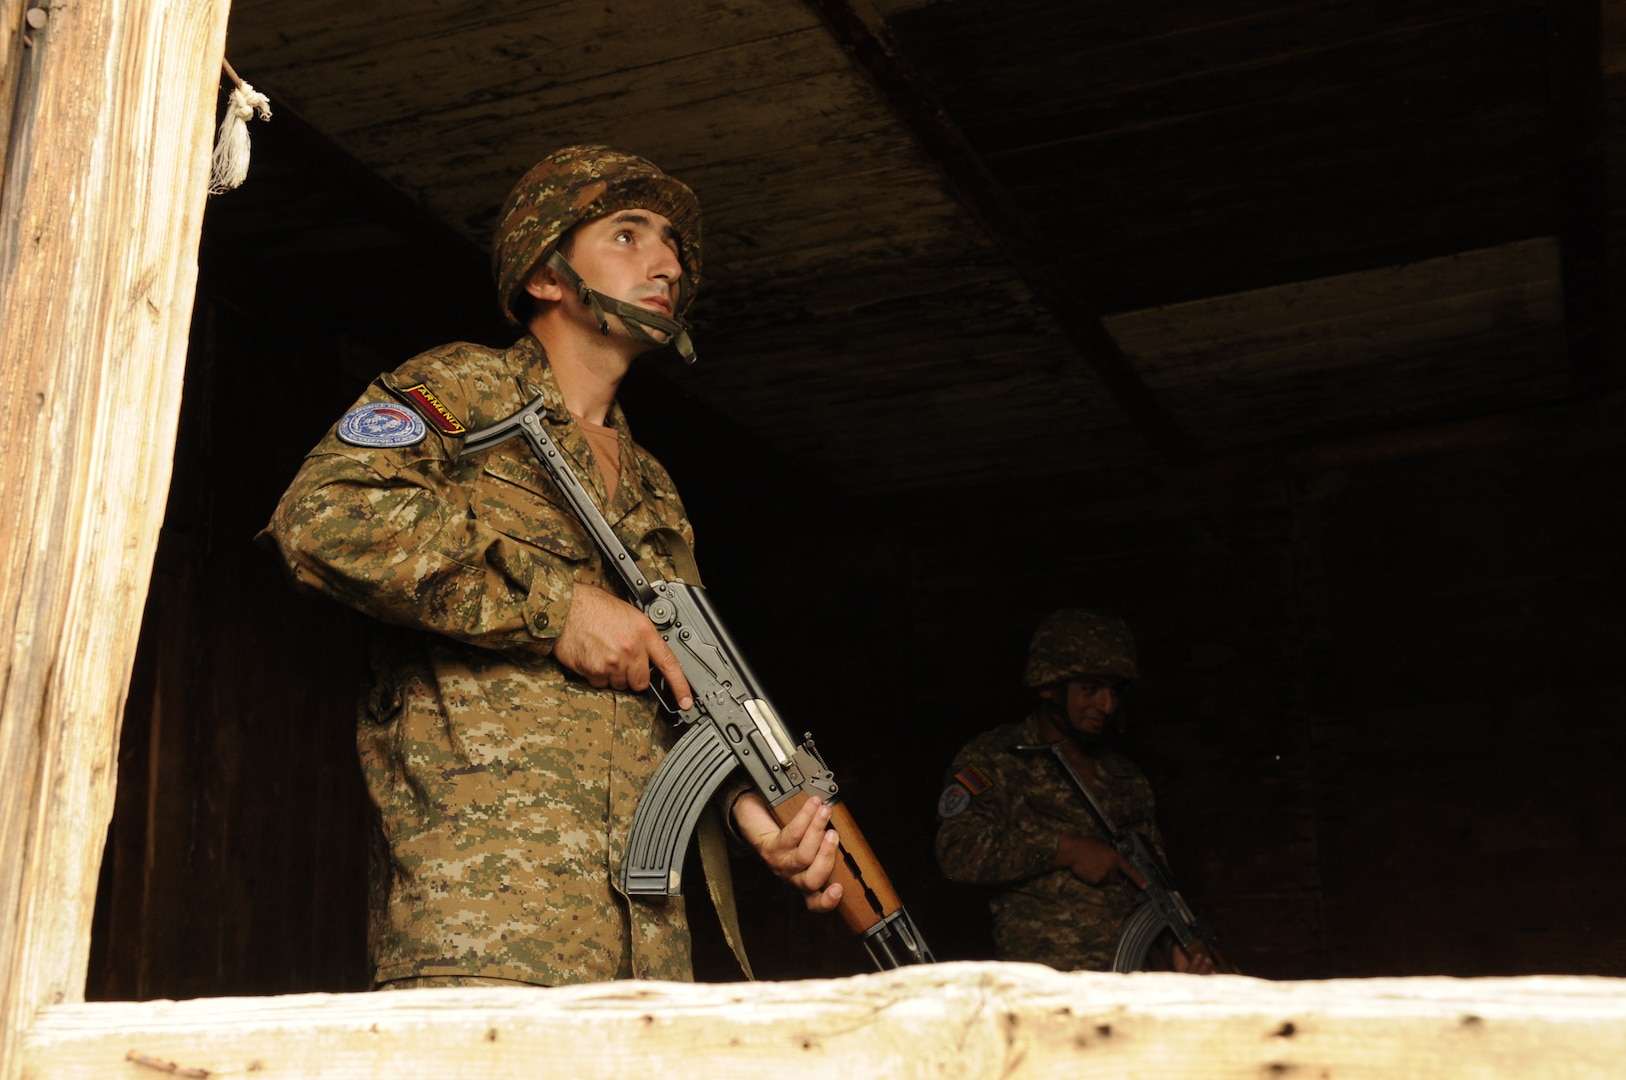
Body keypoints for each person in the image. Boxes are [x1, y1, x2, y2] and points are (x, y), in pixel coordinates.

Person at [262, 145, 840, 989]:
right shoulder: (458, 391)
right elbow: (321, 520)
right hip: (488, 930)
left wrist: (751, 808)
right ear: (546, 274)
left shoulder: (654, 488)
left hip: (644, 955)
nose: (668, 264)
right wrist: (557, 608)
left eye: (673, 245)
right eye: (629, 234)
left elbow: (679, 689)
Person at [934, 609, 1214, 973]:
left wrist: (1178, 947)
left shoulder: (1126, 778)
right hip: (1043, 987)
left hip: (1129, 989)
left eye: (1115, 689)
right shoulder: (994, 760)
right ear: (1048, 686)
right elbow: (957, 853)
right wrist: (1062, 850)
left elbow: (1152, 886)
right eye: (1091, 688)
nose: (1107, 705)